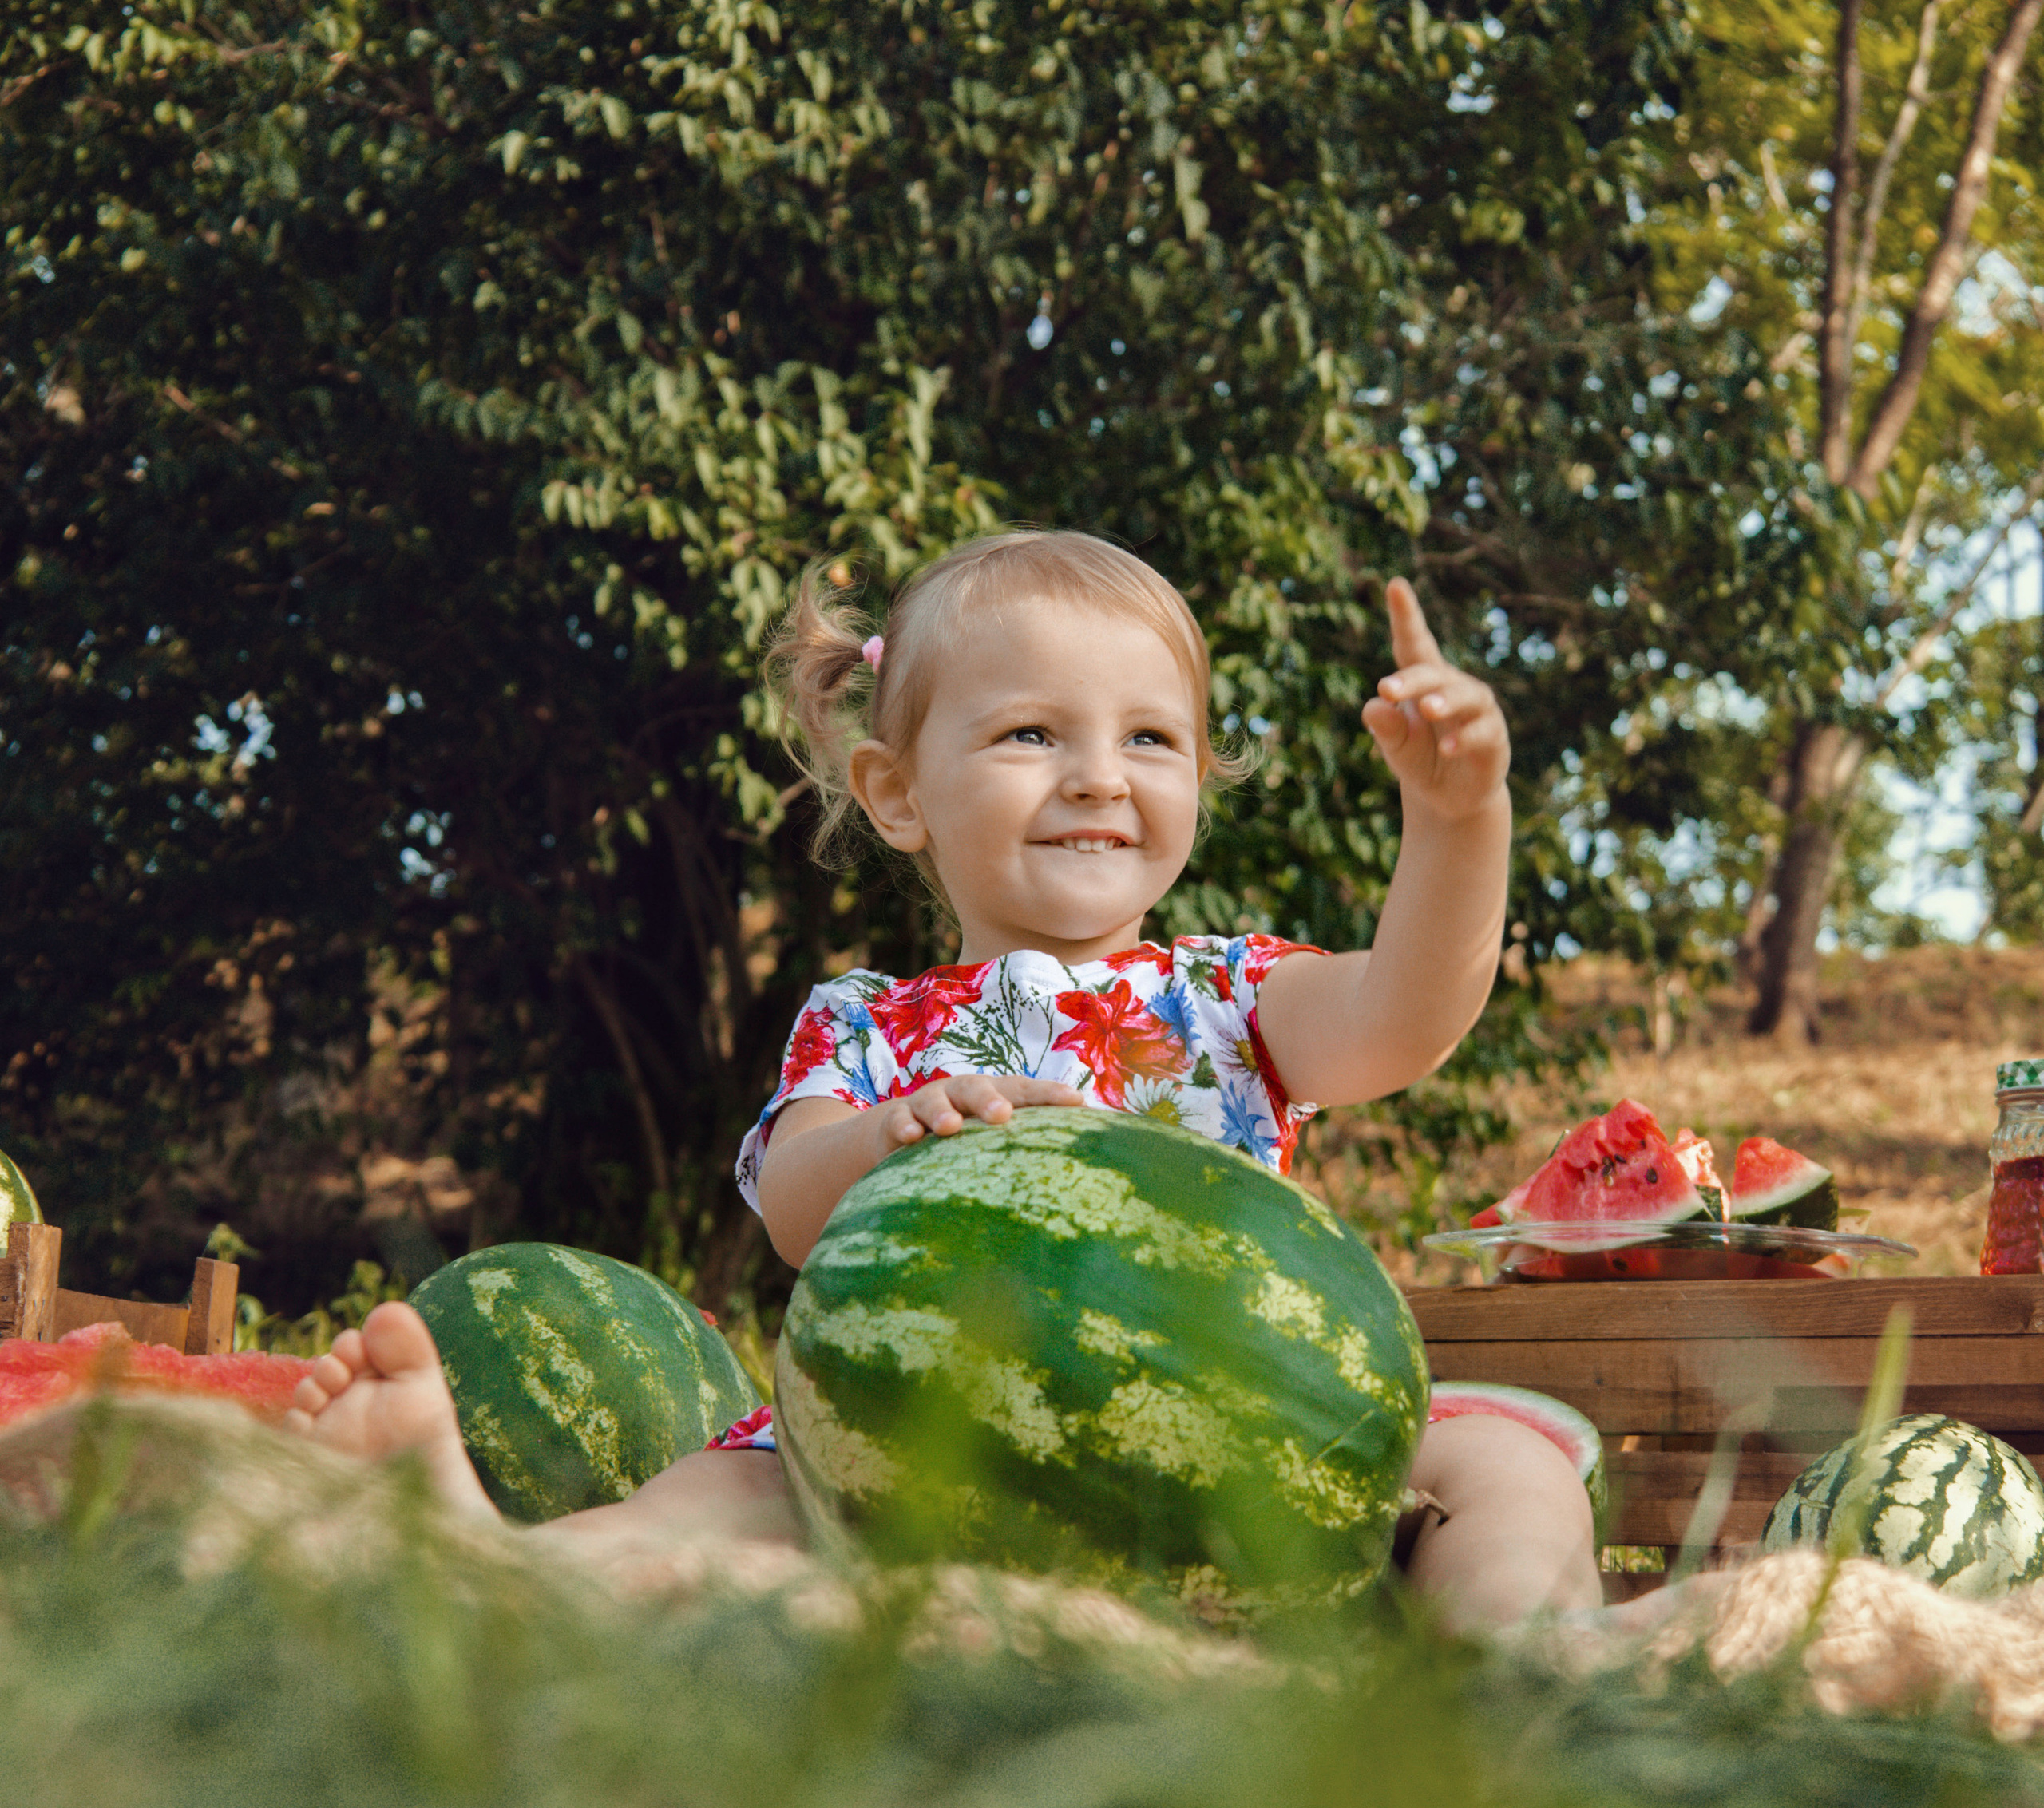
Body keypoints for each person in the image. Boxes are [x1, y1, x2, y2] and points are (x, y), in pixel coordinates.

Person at [289, 530, 1600, 1628]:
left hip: (1229, 1439)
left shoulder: (1225, 997)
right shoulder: (864, 1024)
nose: (1099, 775)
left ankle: (1530, 1664)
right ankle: (484, 1564)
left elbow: (1410, 1014)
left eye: (1150, 739)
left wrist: (1458, 818)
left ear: (1198, 778)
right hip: (912, 1448)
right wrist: (879, 1142)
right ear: (897, 792)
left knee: (1505, 1460)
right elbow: (794, 1209)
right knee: (721, 1500)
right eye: (1032, 733)